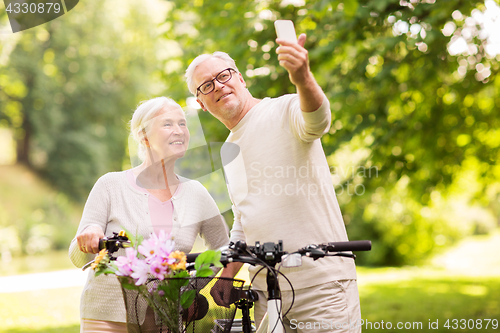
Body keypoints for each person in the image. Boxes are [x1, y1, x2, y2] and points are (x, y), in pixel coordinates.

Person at [185, 34, 360, 332]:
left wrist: (302, 77)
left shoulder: (284, 109)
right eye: (207, 85)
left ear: (240, 78)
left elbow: (318, 120)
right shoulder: (229, 150)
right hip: (266, 293)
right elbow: (245, 220)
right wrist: (228, 273)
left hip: (320, 285)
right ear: (201, 103)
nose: (219, 86)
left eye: (223, 75)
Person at [68, 97, 230, 333]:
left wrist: (189, 288)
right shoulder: (110, 185)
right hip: (107, 314)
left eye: (183, 124)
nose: (179, 131)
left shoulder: (196, 193)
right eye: (168, 124)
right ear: (144, 136)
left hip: (166, 317)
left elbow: (222, 248)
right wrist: (88, 236)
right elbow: (77, 257)